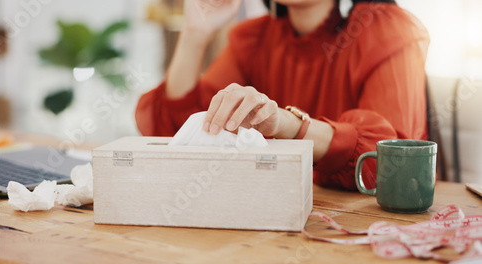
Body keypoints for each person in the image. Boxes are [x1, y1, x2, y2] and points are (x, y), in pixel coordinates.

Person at [135, 0, 429, 190]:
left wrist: (288, 124)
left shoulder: (386, 29)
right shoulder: (255, 38)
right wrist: (194, 34)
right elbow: (179, 138)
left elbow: (395, 163)